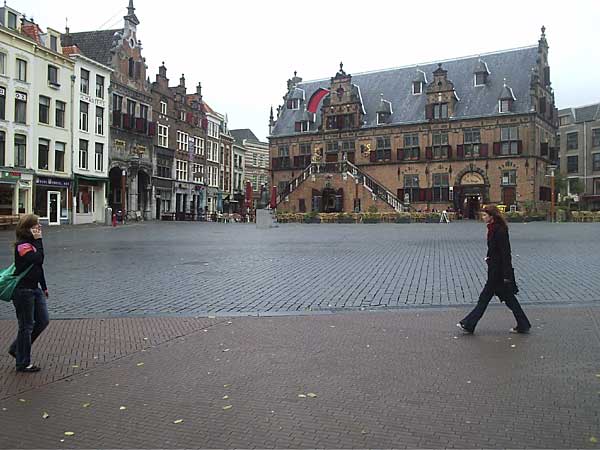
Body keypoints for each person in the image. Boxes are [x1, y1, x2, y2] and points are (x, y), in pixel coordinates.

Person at [458, 205, 531, 334]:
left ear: (492, 216)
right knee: (509, 299)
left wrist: (507, 274)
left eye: (485, 215)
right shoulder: (492, 229)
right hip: (495, 269)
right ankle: (523, 323)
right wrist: (489, 258)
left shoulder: (500, 231)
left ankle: (469, 323)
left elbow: (505, 253)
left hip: (498, 272)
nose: (483, 217)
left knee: (484, 298)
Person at [8, 214, 49, 372]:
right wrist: (39, 240)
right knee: (26, 326)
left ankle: (16, 348)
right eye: (36, 225)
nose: (40, 227)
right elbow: (37, 259)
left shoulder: (33, 243)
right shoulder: (23, 245)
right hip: (23, 291)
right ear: (28, 228)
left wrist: (44, 286)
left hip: (35, 288)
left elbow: (38, 267)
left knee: (43, 320)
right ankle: (23, 362)